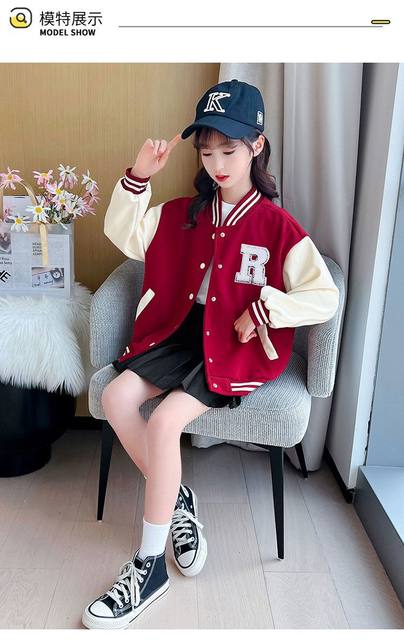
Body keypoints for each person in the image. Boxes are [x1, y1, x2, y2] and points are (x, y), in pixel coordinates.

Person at [82, 79, 339, 630]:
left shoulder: (277, 227)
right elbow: (126, 236)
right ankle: (177, 499)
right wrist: (140, 176)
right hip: (178, 334)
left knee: (165, 421)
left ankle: (149, 567)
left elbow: (324, 295)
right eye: (207, 152)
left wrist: (266, 308)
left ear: (257, 145)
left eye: (229, 149)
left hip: (230, 348)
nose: (217, 164)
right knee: (116, 396)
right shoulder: (183, 213)